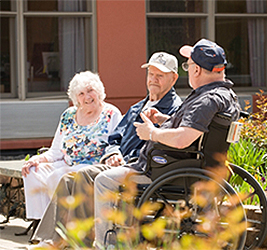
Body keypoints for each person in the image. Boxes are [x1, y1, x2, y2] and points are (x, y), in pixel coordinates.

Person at [93, 38, 241, 248]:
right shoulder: (225, 95)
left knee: (103, 180)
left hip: (166, 169)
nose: (187, 70)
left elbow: (183, 138)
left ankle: (105, 245)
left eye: (188, 65)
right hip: (187, 165)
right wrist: (163, 119)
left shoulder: (206, 100)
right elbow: (195, 130)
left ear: (197, 70)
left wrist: (151, 133)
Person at [29, 52, 182, 248]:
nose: (153, 80)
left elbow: (165, 144)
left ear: (174, 78)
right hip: (119, 163)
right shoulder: (137, 107)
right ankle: (54, 239)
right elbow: (114, 138)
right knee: (68, 179)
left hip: (141, 167)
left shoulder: (174, 109)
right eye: (151, 74)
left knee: (81, 176)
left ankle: (75, 241)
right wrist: (113, 153)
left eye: (160, 76)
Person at [22, 71, 122, 224]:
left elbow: (116, 145)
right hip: (67, 163)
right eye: (81, 93)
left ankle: (64, 224)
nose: (87, 97)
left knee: (58, 176)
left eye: (90, 91)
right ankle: (43, 223)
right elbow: (55, 151)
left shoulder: (111, 113)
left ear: (99, 91)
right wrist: (38, 159)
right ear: (76, 98)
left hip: (90, 168)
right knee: (31, 171)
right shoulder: (68, 115)